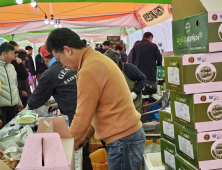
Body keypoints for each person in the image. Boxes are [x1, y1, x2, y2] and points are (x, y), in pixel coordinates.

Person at [46, 28, 145, 170]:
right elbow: (96, 110)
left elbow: (82, 115)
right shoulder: (96, 59)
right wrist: (85, 137)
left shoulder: (88, 69)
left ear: (67, 50)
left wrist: (63, 150)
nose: (62, 65)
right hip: (126, 138)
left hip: (123, 140)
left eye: (59, 59)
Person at [28, 44, 93, 170]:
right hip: (92, 111)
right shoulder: (74, 65)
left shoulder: (50, 72)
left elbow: (34, 102)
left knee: (81, 153)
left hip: (79, 116)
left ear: (45, 59)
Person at [104, 48, 146, 112]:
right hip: (116, 105)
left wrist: (134, 93)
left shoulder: (129, 68)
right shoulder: (107, 71)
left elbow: (142, 78)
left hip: (132, 104)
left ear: (116, 62)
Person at [0, 42, 23, 127]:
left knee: (12, 131)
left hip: (13, 107)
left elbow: (15, 85)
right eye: (12, 53)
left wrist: (19, 101)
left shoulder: (11, 67)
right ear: (4, 53)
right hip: (1, 109)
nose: (14, 56)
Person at [9, 41, 29, 107]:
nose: (17, 54)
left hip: (18, 97)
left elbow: (24, 76)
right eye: (15, 52)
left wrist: (21, 65)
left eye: (18, 52)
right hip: (9, 100)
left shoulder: (16, 62)